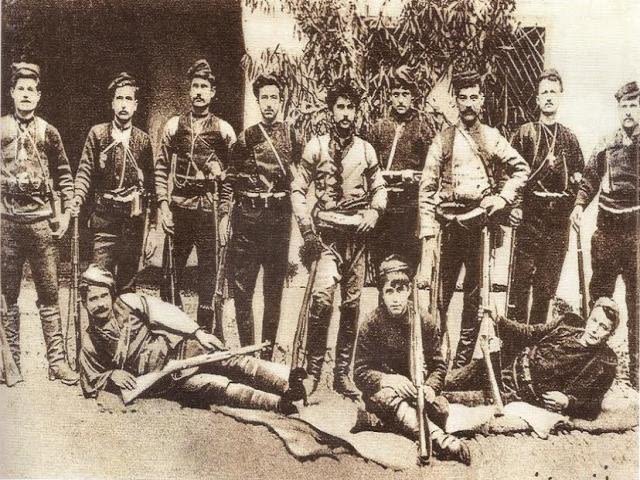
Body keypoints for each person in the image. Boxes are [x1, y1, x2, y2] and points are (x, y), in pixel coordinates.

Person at [78, 264, 301, 414]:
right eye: (93, 299)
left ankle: (286, 386)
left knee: (230, 360)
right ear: (84, 303)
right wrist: (112, 375)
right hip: (164, 380)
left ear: (112, 294)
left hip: (182, 350)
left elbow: (167, 313)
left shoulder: (129, 302)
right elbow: (91, 380)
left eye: (103, 296)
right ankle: (278, 404)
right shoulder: (90, 342)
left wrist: (198, 333)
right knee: (215, 386)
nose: (100, 304)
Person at [418, 70, 530, 368]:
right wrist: (428, 233)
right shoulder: (442, 139)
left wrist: (502, 198)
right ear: (456, 101)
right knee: (439, 296)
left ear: (482, 101)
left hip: (478, 226)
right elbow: (426, 188)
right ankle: (436, 361)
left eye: (473, 98)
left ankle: (461, 364)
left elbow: (521, 169)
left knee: (475, 297)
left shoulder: (492, 138)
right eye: (463, 98)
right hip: (447, 226)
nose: (468, 104)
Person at [291, 79, 387, 399]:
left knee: (352, 304)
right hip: (327, 238)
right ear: (331, 111)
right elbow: (297, 189)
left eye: (350, 108)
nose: (345, 114)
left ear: (357, 112)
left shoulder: (366, 149)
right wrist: (306, 228)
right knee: (321, 301)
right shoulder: (316, 147)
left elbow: (379, 188)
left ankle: (342, 374)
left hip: (357, 238)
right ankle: (312, 371)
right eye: (340, 107)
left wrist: (375, 211)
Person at [0, 62, 78, 384]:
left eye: (31, 90)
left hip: (42, 224)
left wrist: (66, 213)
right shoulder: (1, 129)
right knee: (7, 296)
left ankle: (57, 362)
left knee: (49, 293)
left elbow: (65, 175)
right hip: (7, 224)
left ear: (39, 96)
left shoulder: (49, 132)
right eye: (21, 89)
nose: (26, 95)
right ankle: (10, 363)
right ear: (11, 93)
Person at [354, 256, 471, 465]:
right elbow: (360, 372)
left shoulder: (424, 321)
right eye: (389, 291)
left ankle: (394, 423)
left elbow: (438, 366)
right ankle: (438, 438)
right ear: (382, 293)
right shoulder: (371, 324)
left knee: (441, 409)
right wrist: (387, 380)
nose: (395, 298)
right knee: (386, 399)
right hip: (386, 393)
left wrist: (430, 387)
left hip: (416, 391)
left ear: (409, 290)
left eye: (400, 290)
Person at [221, 74, 302, 358]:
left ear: (281, 101)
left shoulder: (292, 136)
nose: (269, 103)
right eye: (264, 97)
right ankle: (247, 354)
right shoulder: (246, 138)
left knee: (273, 292)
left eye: (274, 98)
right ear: (257, 101)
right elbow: (229, 180)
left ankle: (266, 355)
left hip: (278, 220)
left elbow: (301, 179)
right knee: (243, 290)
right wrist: (224, 215)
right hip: (247, 219)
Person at [154, 59, 236, 331]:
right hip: (179, 207)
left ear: (213, 92)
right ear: (189, 90)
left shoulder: (224, 130)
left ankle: (206, 336)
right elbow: (160, 167)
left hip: (208, 210)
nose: (199, 92)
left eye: (204, 87)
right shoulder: (174, 126)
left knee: (208, 279)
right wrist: (163, 205)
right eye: (195, 86)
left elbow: (232, 176)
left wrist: (224, 214)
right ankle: (174, 332)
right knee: (170, 276)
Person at [447, 297, 620, 420]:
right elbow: (531, 333)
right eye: (594, 321)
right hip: (504, 363)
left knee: (453, 400)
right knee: (448, 381)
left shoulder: (603, 364)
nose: (595, 329)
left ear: (610, 334)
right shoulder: (567, 325)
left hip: (517, 393)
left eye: (603, 327)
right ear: (588, 319)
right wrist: (498, 319)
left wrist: (567, 402)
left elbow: (593, 406)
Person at [570, 80, 639, 389]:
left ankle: (637, 376)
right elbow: (589, 180)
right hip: (607, 233)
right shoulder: (606, 144)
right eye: (624, 106)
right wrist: (579, 206)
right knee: (599, 300)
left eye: (634, 106)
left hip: (636, 234)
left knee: (637, 304)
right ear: (618, 109)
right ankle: (590, 366)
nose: (629, 112)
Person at [508, 69, 585, 324]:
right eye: (544, 93)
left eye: (553, 92)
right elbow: (510, 174)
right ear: (538, 99)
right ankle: (515, 341)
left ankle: (537, 342)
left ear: (560, 97)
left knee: (545, 287)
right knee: (520, 284)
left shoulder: (569, 139)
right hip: (530, 218)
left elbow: (580, 177)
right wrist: (516, 206)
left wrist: (576, 207)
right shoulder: (524, 134)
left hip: (557, 223)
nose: (549, 97)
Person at [71, 72, 155, 293]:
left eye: (128, 99)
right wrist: (78, 196)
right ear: (112, 103)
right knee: (98, 283)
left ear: (135, 105)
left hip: (133, 223)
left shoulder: (143, 140)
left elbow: (152, 186)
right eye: (119, 98)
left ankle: (124, 316)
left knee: (127, 288)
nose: (124, 104)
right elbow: (85, 171)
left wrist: (152, 229)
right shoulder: (98, 134)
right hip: (105, 219)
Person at [367, 66, 435, 271]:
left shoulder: (423, 126)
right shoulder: (379, 127)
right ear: (390, 97)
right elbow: (369, 166)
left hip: (410, 205)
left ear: (412, 96)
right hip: (384, 204)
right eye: (396, 94)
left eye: (405, 94)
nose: (400, 100)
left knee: (407, 261)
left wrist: (414, 176)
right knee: (381, 260)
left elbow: (432, 168)